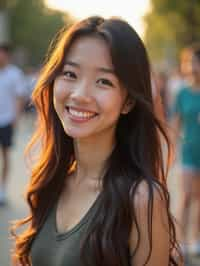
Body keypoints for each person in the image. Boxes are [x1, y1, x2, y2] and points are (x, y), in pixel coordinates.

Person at [12, 16, 181, 266]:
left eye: (104, 81)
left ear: (128, 101)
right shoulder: (50, 181)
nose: (80, 95)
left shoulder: (142, 200)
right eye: (70, 73)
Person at [172, 44, 200, 256]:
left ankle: (195, 240)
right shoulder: (182, 93)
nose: (194, 66)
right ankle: (180, 240)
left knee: (199, 198)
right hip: (188, 152)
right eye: (191, 62)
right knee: (186, 196)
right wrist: (173, 149)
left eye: (197, 62)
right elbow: (175, 124)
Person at [0, 43, 26, 205]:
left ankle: (2, 190)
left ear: (7, 55)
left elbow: (19, 97)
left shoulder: (14, 74)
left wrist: (16, 118)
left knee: (5, 156)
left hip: (6, 121)